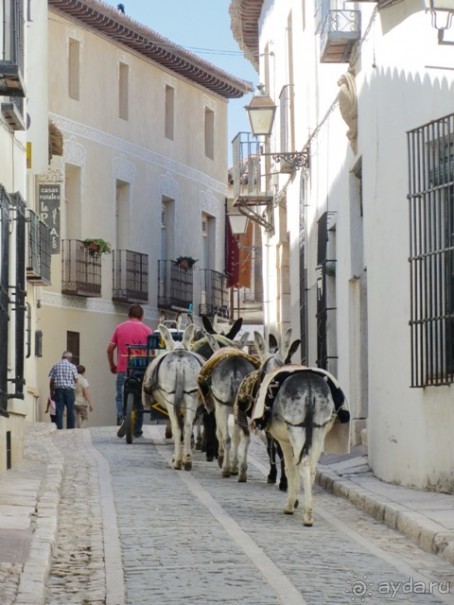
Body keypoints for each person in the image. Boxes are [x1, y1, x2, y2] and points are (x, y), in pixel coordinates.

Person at [107, 304, 152, 435]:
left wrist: (112, 365)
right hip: (141, 369)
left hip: (124, 368)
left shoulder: (119, 328)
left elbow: (109, 349)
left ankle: (122, 418)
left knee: (120, 395)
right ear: (142, 316)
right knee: (138, 400)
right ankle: (137, 430)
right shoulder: (148, 330)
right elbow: (153, 351)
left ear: (128, 315)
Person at [48, 351, 78, 429]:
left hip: (58, 390)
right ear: (70, 358)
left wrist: (51, 391)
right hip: (69, 390)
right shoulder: (72, 366)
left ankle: (59, 427)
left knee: (59, 410)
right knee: (70, 410)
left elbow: (52, 380)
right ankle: (70, 428)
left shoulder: (55, 366)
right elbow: (76, 379)